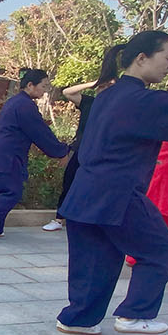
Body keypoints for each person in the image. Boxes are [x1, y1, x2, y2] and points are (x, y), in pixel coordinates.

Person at [55, 31, 168, 335]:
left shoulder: (109, 95)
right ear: (141, 58)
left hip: (85, 189)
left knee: (97, 259)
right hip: (117, 193)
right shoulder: (144, 100)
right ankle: (135, 314)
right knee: (159, 250)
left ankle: (77, 318)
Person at [0, 68, 70, 241]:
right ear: (30, 85)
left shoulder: (15, 102)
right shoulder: (25, 105)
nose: (45, 90)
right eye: (44, 85)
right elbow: (40, 132)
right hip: (7, 157)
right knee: (12, 192)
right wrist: (62, 151)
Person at [43, 77, 114, 232]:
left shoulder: (115, 108)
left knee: (94, 188)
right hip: (81, 150)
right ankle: (58, 219)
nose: (104, 89)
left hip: (101, 154)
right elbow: (67, 92)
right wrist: (92, 83)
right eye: (102, 86)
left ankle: (87, 220)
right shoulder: (89, 102)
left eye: (109, 86)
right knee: (69, 183)